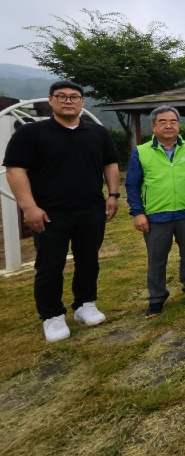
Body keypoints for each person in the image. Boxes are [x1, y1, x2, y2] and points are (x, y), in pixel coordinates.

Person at [3, 81, 120, 342]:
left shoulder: (97, 132)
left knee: (88, 260)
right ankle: (52, 315)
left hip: (91, 208)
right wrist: (29, 207)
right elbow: (15, 170)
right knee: (50, 265)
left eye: (74, 97)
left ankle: (85, 304)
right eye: (62, 96)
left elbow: (110, 163)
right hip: (49, 212)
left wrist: (113, 194)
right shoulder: (31, 133)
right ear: (51, 100)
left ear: (82, 102)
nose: (68, 101)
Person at [126, 106, 185, 318]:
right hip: (155, 214)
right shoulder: (142, 151)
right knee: (156, 258)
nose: (168, 126)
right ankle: (156, 298)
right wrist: (137, 213)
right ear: (153, 126)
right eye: (162, 122)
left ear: (179, 125)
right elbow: (132, 185)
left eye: (173, 121)